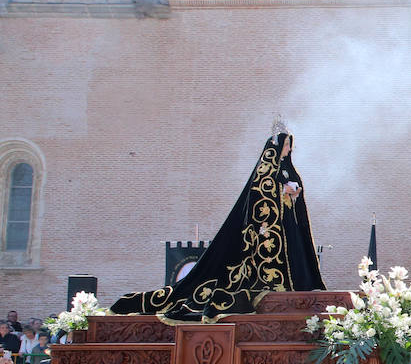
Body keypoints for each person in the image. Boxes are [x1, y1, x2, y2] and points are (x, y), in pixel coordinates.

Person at [111, 125, 325, 319]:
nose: (288, 150)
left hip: (286, 227)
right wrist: (281, 189)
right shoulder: (265, 170)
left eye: (289, 146)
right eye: (286, 146)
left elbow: (296, 192)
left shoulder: (288, 168)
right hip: (267, 231)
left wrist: (295, 192)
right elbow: (258, 194)